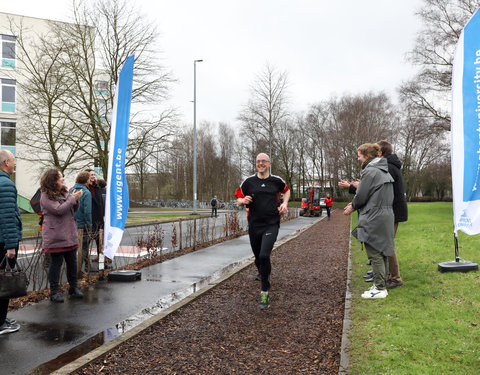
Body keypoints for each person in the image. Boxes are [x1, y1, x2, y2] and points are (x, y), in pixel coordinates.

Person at [235, 153, 290, 310]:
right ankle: (262, 270)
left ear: (269, 163)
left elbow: (287, 191)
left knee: (264, 255)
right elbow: (238, 199)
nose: (260, 163)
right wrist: (243, 201)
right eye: (258, 161)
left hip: (271, 223)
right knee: (259, 259)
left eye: (263, 161)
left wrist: (284, 204)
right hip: (254, 225)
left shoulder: (277, 181)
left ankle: (264, 290)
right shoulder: (248, 182)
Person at [344, 143, 394, 299]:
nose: (358, 158)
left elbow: (362, 195)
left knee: (374, 252)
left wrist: (352, 206)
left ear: (366, 156)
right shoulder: (383, 170)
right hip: (385, 214)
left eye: (359, 155)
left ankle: (379, 288)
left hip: (373, 216)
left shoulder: (370, 171)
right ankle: (381, 284)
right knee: (383, 251)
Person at [40, 168, 84, 302]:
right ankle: (54, 292)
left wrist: (76, 200)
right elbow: (58, 210)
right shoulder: (45, 195)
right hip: (56, 235)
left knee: (72, 261)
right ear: (53, 180)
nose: (63, 178)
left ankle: (73, 288)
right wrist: (72, 199)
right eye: (60, 177)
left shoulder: (64, 192)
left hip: (69, 233)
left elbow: (71, 208)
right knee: (56, 263)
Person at [377, 140, 408, 289]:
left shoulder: (388, 167)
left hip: (393, 211)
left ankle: (396, 278)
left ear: (381, 153)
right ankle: (389, 275)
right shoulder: (391, 165)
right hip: (393, 210)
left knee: (388, 244)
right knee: (386, 243)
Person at [0, 150, 22, 334]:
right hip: (3, 242)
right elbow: (8, 217)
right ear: (6, 162)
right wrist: (11, 246)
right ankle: (1, 323)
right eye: (13, 161)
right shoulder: (6, 184)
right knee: (4, 282)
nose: (15, 164)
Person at [71, 171, 92, 277]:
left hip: (71, 223)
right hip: (82, 224)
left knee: (72, 248)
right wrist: (89, 224)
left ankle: (74, 268)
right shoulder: (86, 193)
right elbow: (87, 211)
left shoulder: (71, 190)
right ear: (86, 180)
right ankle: (82, 268)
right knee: (84, 247)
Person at [85, 169, 105, 258]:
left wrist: (103, 215)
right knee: (86, 242)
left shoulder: (97, 187)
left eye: (94, 174)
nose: (93, 176)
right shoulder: (85, 188)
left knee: (100, 242)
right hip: (89, 218)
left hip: (99, 218)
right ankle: (85, 263)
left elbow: (101, 202)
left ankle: (101, 261)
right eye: (91, 175)